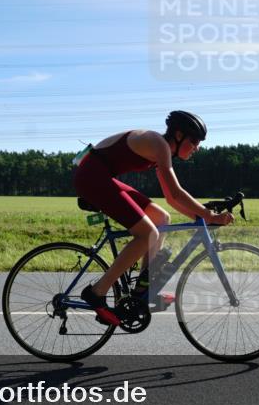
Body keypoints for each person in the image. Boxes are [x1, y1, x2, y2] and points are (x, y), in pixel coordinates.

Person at [72, 110, 234, 326]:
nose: (197, 147)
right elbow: (176, 193)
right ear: (178, 135)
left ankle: (143, 289)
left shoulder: (161, 150)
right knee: (147, 233)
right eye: (194, 141)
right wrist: (209, 215)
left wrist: (201, 217)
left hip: (98, 174)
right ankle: (96, 292)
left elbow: (171, 199)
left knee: (161, 217)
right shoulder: (158, 144)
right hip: (92, 177)